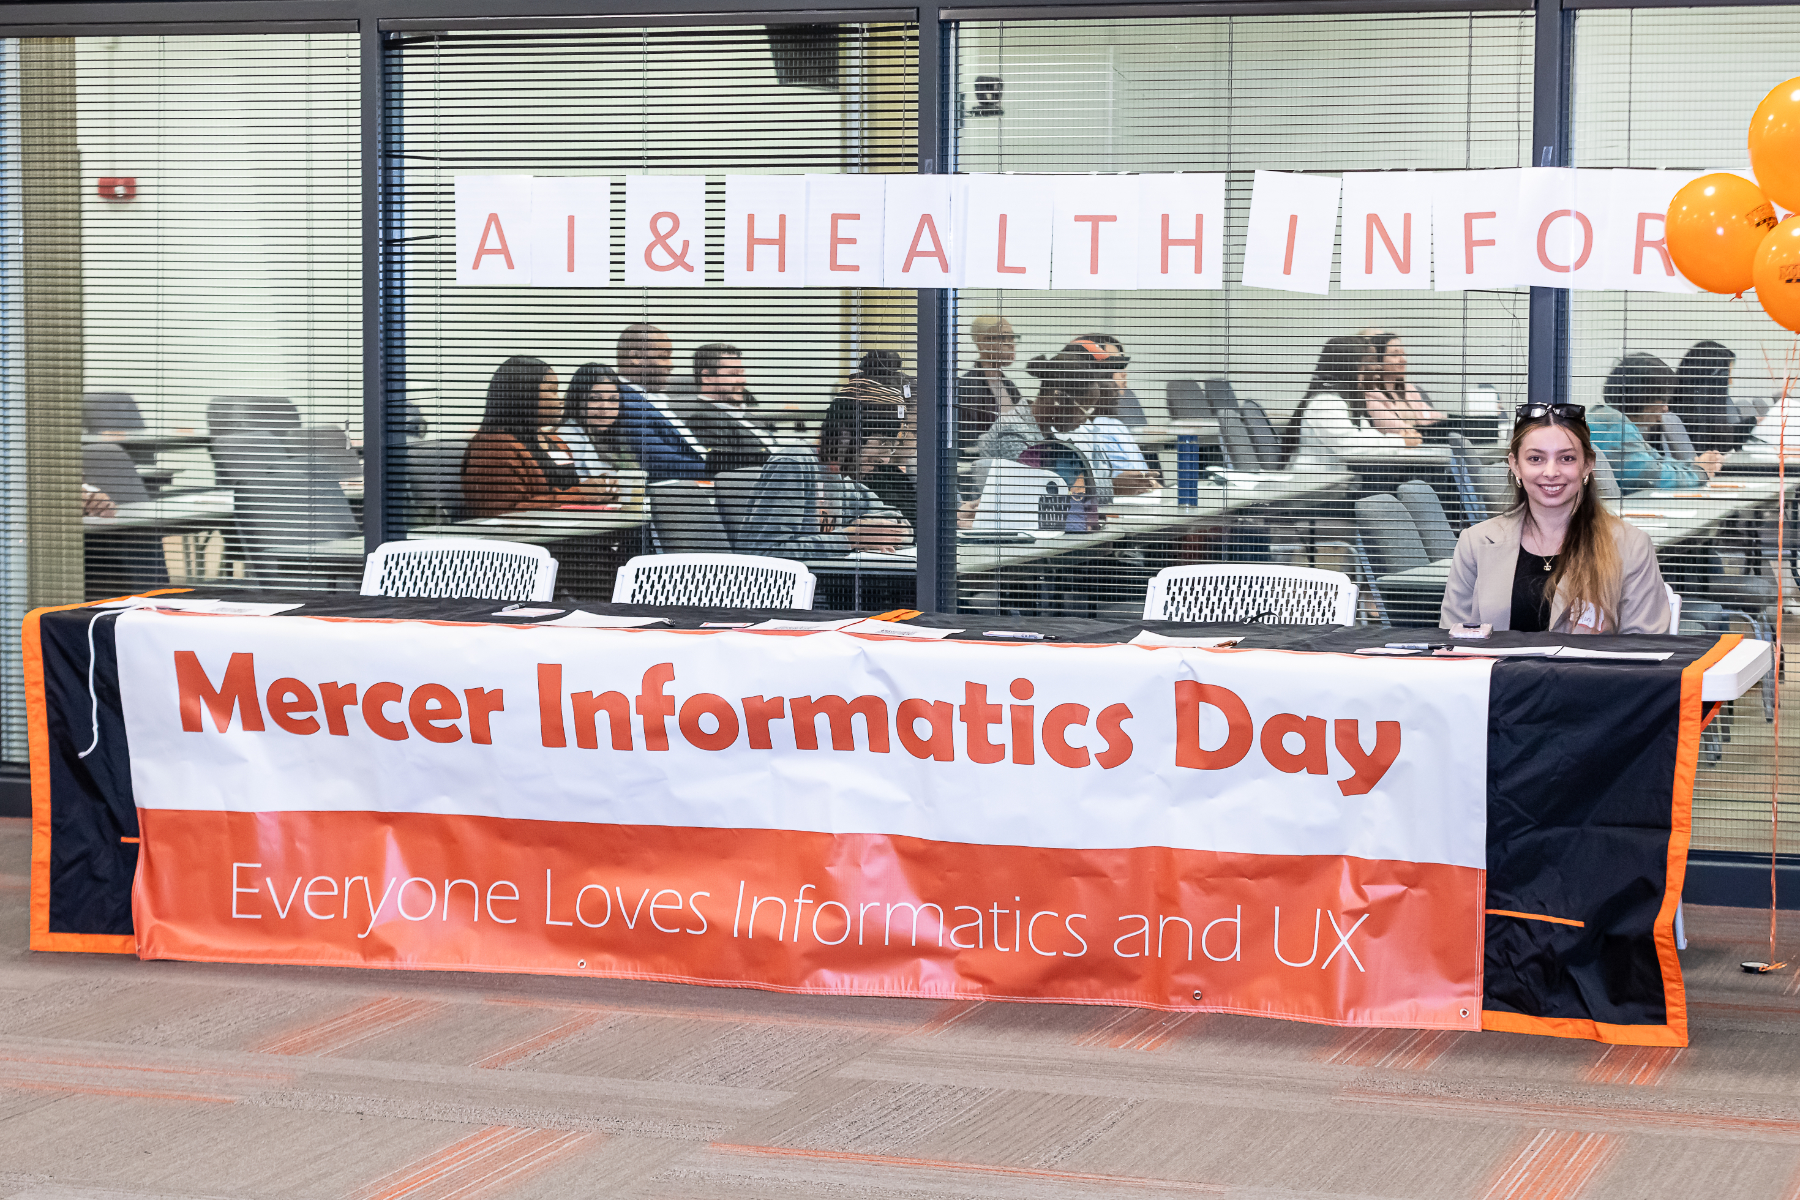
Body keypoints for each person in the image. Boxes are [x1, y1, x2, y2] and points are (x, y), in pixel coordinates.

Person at [1441, 402, 1670, 634]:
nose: (1551, 472)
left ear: (1587, 465)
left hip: (1591, 671)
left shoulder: (1631, 546)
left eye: (1567, 458)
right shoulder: (1476, 543)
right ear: (1515, 465)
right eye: (1535, 459)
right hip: (1494, 671)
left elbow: (1644, 651)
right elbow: (1450, 646)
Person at [735, 402, 911, 559]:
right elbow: (765, 555)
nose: (886, 459)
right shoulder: (794, 465)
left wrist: (881, 532)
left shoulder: (844, 481)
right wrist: (850, 538)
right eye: (882, 443)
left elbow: (903, 526)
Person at [460, 356, 618, 518]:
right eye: (552, 391)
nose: (560, 400)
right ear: (524, 394)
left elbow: (568, 491)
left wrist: (602, 492)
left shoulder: (554, 441)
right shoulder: (493, 449)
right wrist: (583, 494)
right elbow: (505, 513)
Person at [1587, 352, 1721, 492]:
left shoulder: (1610, 419)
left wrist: (1695, 466)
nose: (1665, 408)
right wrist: (1699, 472)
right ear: (1641, 397)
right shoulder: (1614, 428)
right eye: (1662, 399)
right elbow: (1654, 477)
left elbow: (1656, 461)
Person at [1280, 336, 1407, 472]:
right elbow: (1350, 446)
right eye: (1367, 364)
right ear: (1347, 367)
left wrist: (1400, 439)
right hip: (1316, 487)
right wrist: (1401, 441)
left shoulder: (1348, 400)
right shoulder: (1325, 402)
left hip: (1338, 481)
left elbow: (1368, 437)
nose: (1375, 368)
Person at [821, 366, 917, 526]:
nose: (885, 459)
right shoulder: (797, 469)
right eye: (914, 432)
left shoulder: (857, 483)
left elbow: (907, 528)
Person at [613, 323, 708, 481]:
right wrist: (723, 470)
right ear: (636, 357)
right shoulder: (623, 403)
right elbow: (663, 463)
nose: (671, 365)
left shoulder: (653, 397)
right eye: (664, 357)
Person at [678, 342, 773, 475]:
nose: (743, 380)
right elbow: (727, 470)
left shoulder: (748, 417)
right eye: (734, 374)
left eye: (742, 373)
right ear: (707, 377)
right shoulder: (704, 419)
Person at [554, 362, 639, 479]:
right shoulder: (567, 440)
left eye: (613, 400)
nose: (605, 407)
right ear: (577, 400)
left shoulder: (613, 436)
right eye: (595, 399)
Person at [1363, 331, 1445, 446]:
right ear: (1378, 360)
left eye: (1403, 354)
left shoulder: (1410, 390)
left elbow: (1435, 418)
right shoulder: (1370, 396)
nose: (1403, 359)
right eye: (1395, 355)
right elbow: (1398, 429)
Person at [956, 315, 1023, 453]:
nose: (1011, 344)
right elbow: (967, 443)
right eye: (1004, 338)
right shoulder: (964, 388)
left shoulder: (1010, 387)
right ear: (982, 343)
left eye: (1012, 338)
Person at [1673, 340, 1751, 455]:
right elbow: (1715, 448)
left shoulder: (1698, 404)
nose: (1730, 382)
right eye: (1727, 375)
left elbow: (1721, 439)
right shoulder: (1686, 412)